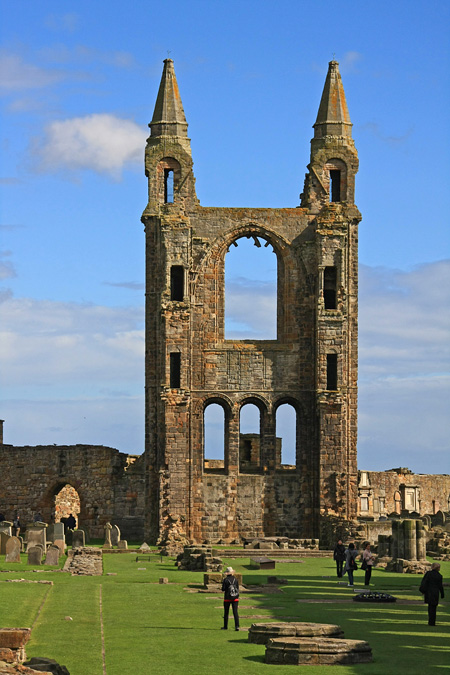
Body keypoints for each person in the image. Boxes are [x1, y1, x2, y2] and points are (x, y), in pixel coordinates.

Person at [221, 566, 240, 631]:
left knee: (226, 612)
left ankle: (225, 626)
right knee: (235, 612)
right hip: (235, 598)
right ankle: (237, 626)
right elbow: (237, 588)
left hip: (227, 598)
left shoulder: (226, 580)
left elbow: (223, 589)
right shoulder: (235, 579)